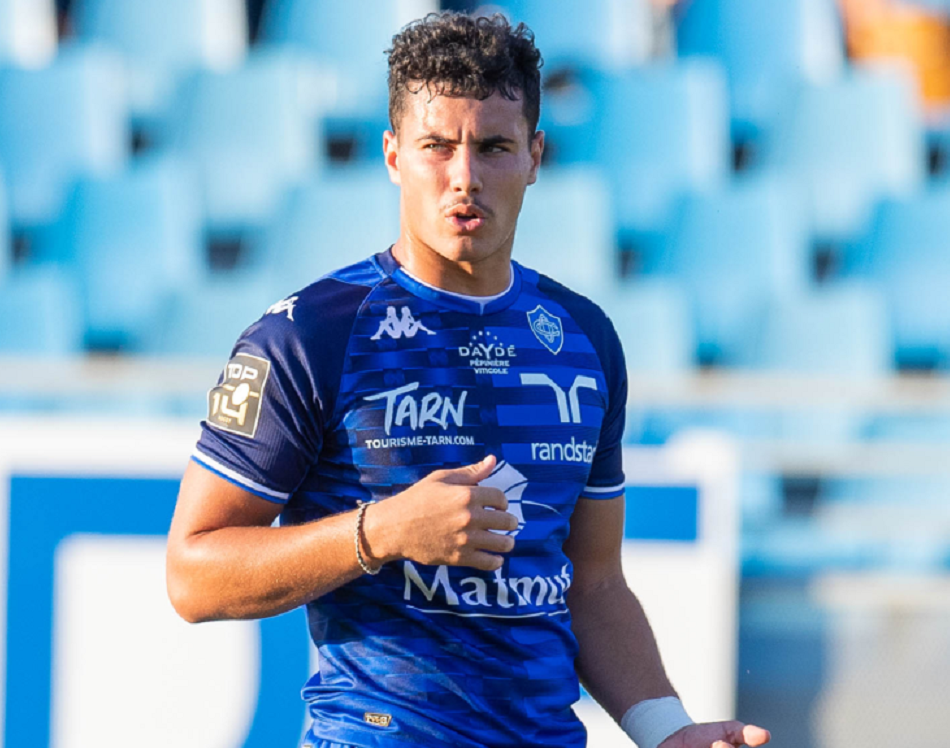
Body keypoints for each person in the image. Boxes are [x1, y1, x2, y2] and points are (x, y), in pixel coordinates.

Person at [166, 11, 771, 748]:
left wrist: (665, 730)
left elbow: (593, 582)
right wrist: (381, 531)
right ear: (392, 154)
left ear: (534, 156)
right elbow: (192, 575)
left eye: (492, 147)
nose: (464, 177)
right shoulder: (307, 336)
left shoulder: (583, 338)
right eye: (436, 147)